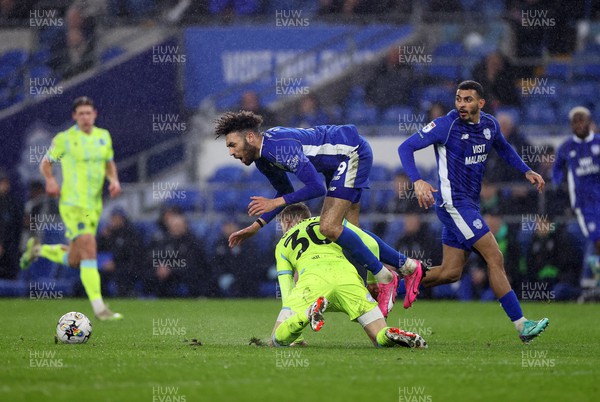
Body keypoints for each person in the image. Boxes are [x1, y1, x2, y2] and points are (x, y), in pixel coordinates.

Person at [214, 110, 424, 316]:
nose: (231, 152)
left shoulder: (277, 148)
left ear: (250, 137)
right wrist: (256, 226)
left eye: (232, 145)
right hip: (337, 162)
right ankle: (408, 267)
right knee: (351, 232)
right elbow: (286, 191)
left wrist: (275, 202)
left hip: (352, 152)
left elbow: (315, 188)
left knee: (329, 227)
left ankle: (385, 277)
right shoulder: (263, 158)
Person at [397, 80, 549, 343]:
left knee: (450, 272)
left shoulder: (490, 125)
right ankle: (522, 325)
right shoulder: (446, 125)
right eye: (458, 99)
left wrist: (526, 170)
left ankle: (386, 286)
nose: (461, 105)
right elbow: (405, 147)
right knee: (495, 256)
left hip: (468, 205)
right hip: (454, 204)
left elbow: (503, 147)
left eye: (468, 100)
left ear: (481, 103)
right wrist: (417, 180)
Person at [19, 96, 123, 321]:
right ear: (74, 116)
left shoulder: (103, 137)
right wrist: (51, 181)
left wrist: (113, 180)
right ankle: (100, 308)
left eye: (89, 113)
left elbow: (108, 163)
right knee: (89, 246)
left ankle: (37, 250)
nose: (85, 117)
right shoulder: (64, 139)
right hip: (72, 204)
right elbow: (46, 164)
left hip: (93, 206)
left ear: (95, 114)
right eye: (81, 113)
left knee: (76, 258)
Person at [270, 203, 427, 348]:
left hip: (313, 281)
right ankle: (388, 334)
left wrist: (296, 336)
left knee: (276, 340)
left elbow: (287, 290)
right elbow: (371, 244)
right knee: (378, 338)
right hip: (347, 276)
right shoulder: (328, 222)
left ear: (288, 223)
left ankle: (306, 314)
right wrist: (372, 280)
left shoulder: (282, 244)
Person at [552, 106, 600, 301]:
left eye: (582, 121)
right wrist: (556, 184)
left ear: (589, 122)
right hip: (584, 204)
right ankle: (589, 285)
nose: (579, 125)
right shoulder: (567, 146)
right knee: (596, 240)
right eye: (575, 122)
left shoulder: (598, 143)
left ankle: (589, 284)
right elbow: (556, 169)